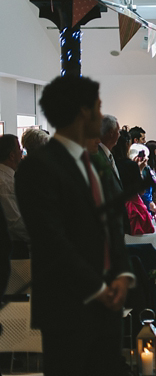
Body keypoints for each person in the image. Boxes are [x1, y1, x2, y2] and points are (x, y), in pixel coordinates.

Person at [15, 75, 134, 376]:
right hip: (66, 305)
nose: (102, 114)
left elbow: (112, 224)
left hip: (108, 305)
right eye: (98, 107)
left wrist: (121, 273)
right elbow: (51, 238)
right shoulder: (36, 167)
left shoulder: (97, 162)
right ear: (82, 112)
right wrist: (98, 287)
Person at [0, 134, 29, 258]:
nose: (21, 152)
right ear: (12, 155)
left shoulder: (8, 179)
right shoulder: (5, 183)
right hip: (13, 249)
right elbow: (15, 223)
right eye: (19, 149)